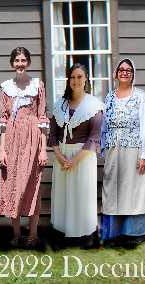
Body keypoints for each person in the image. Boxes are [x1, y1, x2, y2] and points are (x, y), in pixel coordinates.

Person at [100, 58, 145, 246]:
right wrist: (102, 147)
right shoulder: (109, 97)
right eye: (121, 69)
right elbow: (103, 126)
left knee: (135, 190)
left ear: (133, 74)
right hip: (113, 150)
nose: (124, 73)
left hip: (134, 149)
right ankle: (114, 233)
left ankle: (135, 233)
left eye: (129, 70)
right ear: (116, 73)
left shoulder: (141, 96)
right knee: (114, 190)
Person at [0, 47, 49, 248]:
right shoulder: (7, 88)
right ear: (12, 63)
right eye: (17, 60)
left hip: (33, 139)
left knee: (33, 185)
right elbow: (4, 120)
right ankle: (17, 234)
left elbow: (42, 117)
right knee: (13, 185)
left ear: (28, 62)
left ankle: (33, 234)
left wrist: (43, 149)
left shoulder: (38, 86)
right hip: (12, 139)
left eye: (23, 60)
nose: (20, 64)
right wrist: (3, 150)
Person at [48, 63, 104, 247]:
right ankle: (65, 234)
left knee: (81, 194)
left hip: (83, 156)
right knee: (65, 194)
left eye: (80, 77)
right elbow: (53, 133)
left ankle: (84, 235)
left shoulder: (93, 105)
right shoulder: (60, 104)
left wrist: (74, 160)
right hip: (62, 156)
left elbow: (94, 137)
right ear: (69, 80)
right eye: (73, 77)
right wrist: (59, 155)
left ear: (86, 79)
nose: (76, 80)